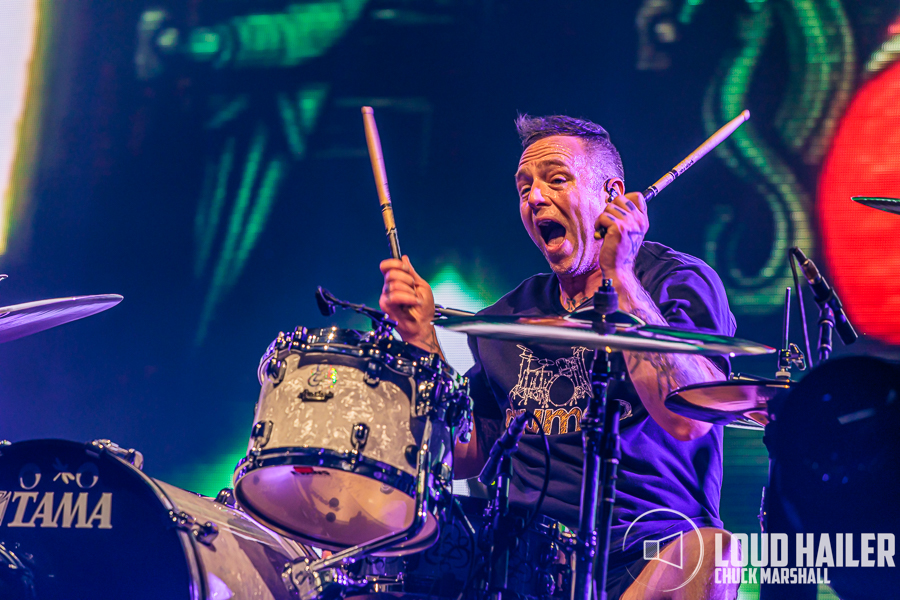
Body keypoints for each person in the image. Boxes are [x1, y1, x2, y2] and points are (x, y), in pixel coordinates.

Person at [379, 115, 740, 600]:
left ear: (612, 196)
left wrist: (621, 277)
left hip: (649, 549)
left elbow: (688, 419)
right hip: (526, 560)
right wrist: (421, 340)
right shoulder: (507, 319)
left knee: (715, 553)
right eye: (524, 187)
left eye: (556, 179)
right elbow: (463, 456)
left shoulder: (676, 283)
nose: (534, 197)